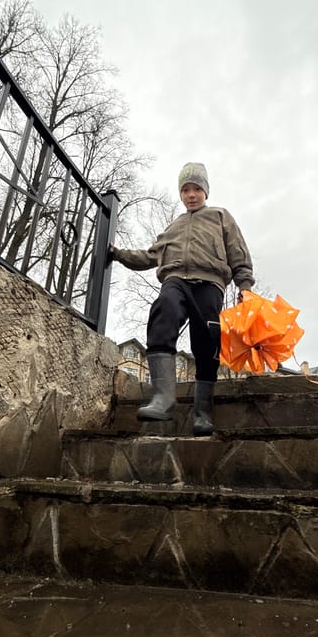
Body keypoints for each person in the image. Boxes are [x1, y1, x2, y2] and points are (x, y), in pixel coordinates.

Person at [110, 162, 255, 436]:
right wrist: (118, 254)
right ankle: (163, 399)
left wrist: (244, 286)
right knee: (163, 310)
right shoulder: (175, 226)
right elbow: (150, 256)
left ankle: (203, 412)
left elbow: (238, 252)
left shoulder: (220, 216)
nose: (191, 195)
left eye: (196, 189)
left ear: (205, 191)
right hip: (175, 278)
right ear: (180, 194)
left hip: (209, 282)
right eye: (185, 190)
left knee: (206, 341)